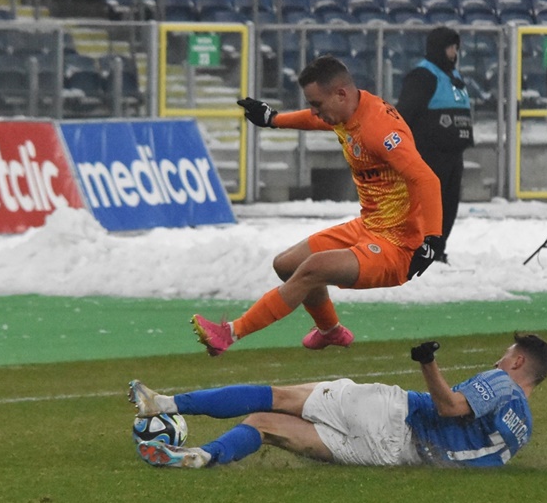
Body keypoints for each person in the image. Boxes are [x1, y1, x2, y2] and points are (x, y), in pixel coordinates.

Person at [190, 55, 444, 356]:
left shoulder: (381, 130)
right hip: (369, 226)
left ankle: (229, 333)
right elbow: (317, 120)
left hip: (400, 245)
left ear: (340, 94)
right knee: (286, 264)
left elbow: (426, 179)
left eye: (317, 104)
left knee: (314, 268)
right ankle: (330, 330)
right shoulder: (347, 111)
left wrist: (432, 240)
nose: (314, 111)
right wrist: (273, 119)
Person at [127, 332, 547, 469]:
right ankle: (201, 456)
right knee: (263, 425)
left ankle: (162, 404)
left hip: (392, 413)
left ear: (518, 361)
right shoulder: (522, 432)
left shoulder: (502, 383)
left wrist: (427, 363)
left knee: (275, 398)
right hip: (391, 456)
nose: (499, 361)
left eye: (505, 356)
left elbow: (450, 408)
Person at [395, 26, 474, 255]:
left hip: (453, 153)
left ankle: (437, 250)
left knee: (449, 205)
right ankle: (420, 249)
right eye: (450, 48)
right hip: (429, 153)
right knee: (428, 205)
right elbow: (405, 113)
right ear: (439, 48)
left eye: (456, 48)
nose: (454, 53)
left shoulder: (454, 77)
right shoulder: (422, 76)